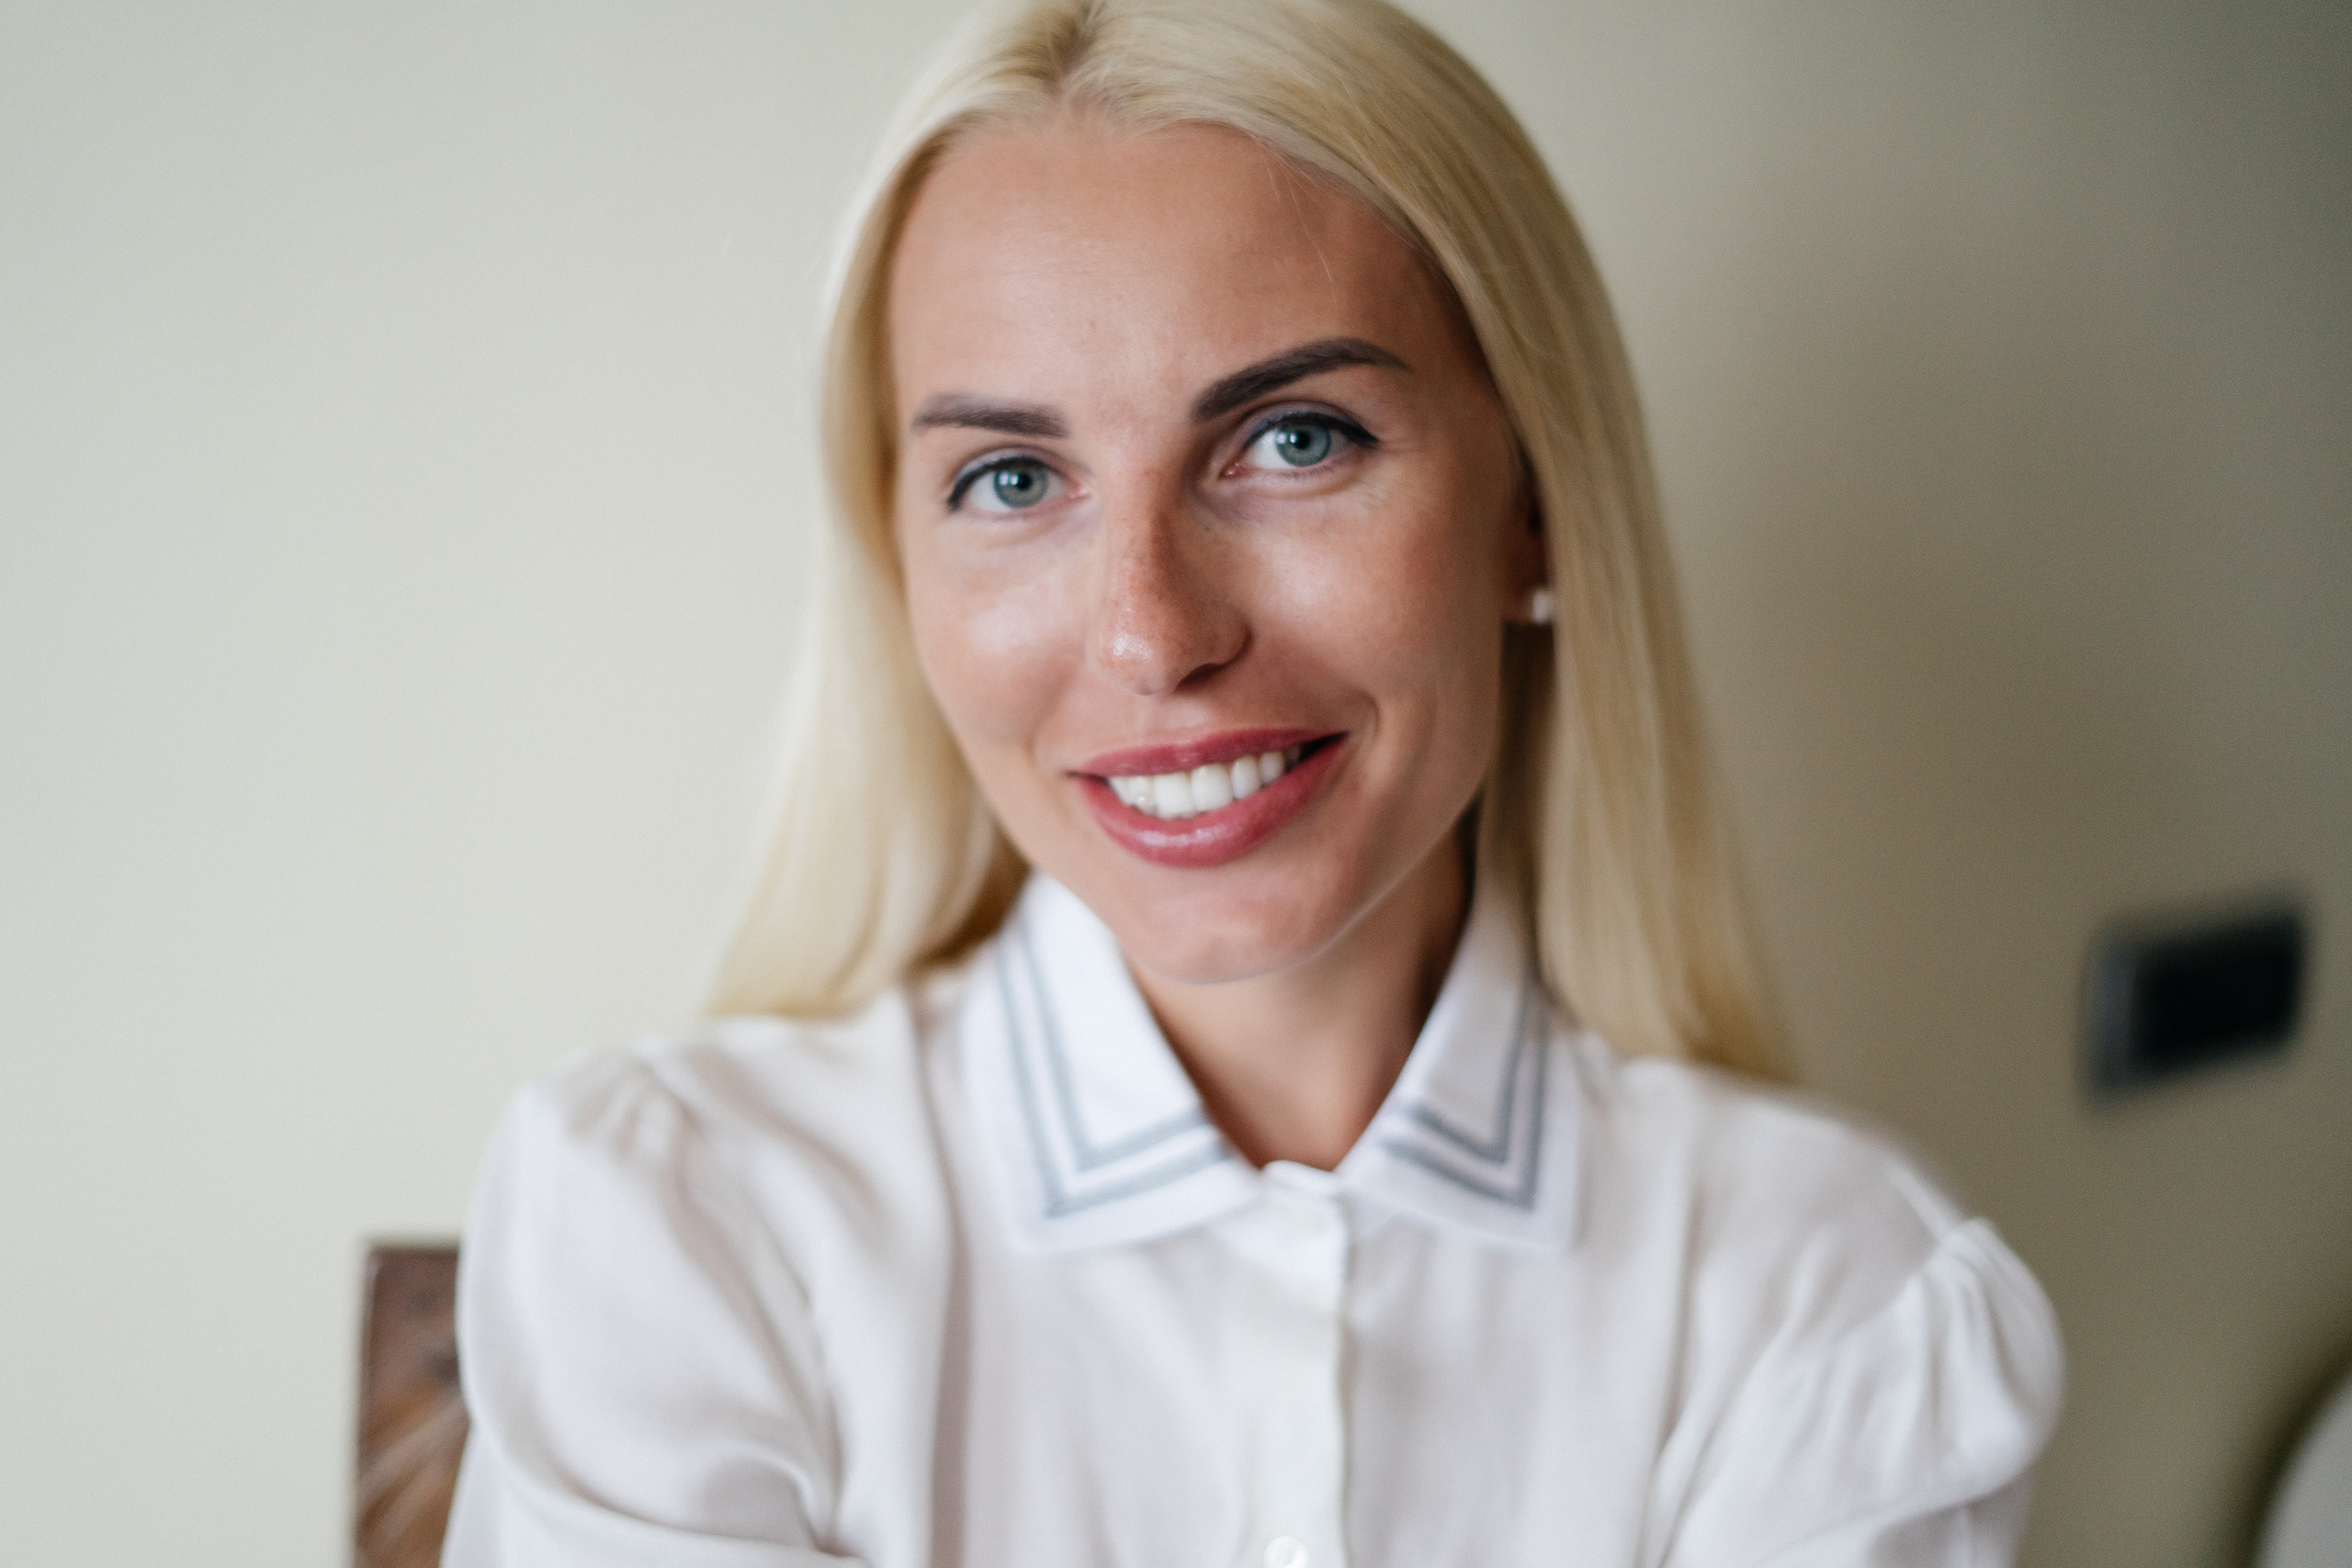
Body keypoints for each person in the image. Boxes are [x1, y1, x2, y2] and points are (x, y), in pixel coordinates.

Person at [442, 0, 2064, 1563]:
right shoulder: (681, 1231)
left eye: (1294, 440)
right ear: (900, 571)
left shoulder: (1830, 1299)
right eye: (1012, 478)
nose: (1154, 638)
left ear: (1534, 508)